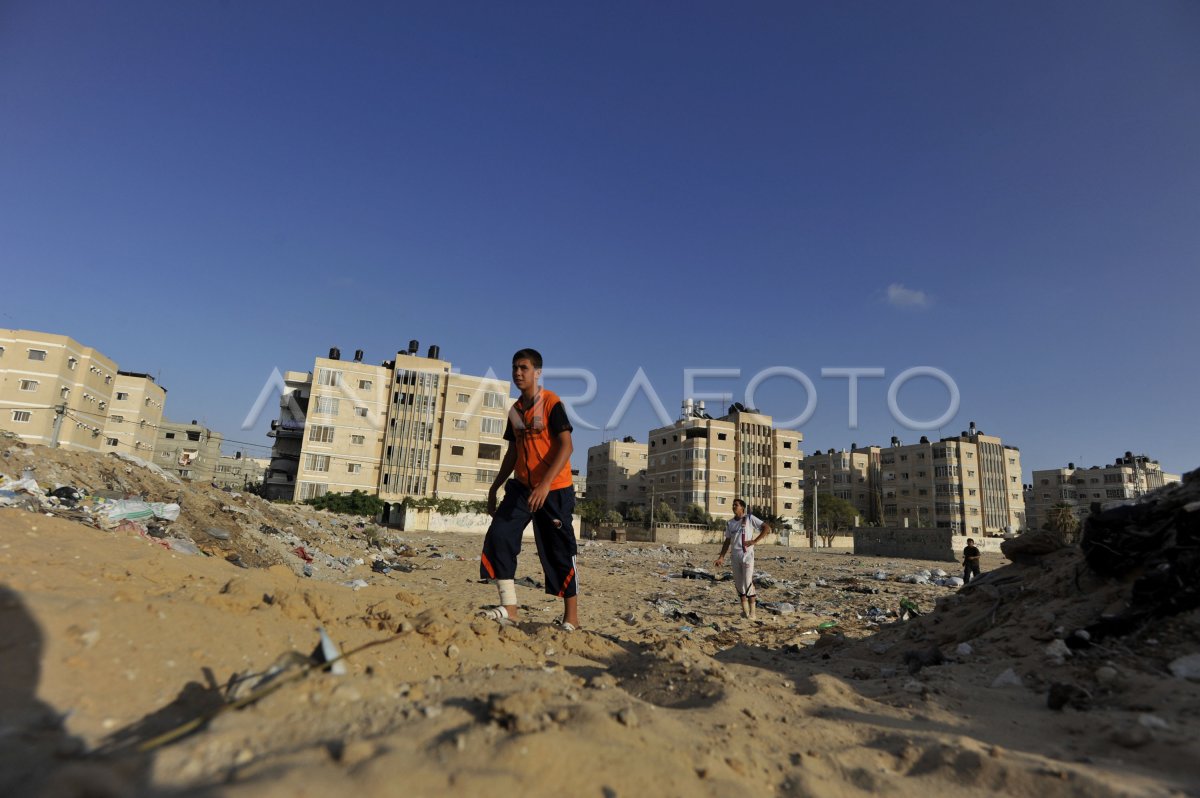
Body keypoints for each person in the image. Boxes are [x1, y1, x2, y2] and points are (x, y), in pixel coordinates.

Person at [479, 349, 579, 630]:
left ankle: (571, 618)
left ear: (537, 373)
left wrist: (546, 484)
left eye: (523, 367)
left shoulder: (550, 403)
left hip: (555, 489)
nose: (517, 373)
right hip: (522, 488)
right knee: (500, 535)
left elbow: (566, 446)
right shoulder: (515, 410)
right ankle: (509, 608)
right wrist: (494, 487)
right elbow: (513, 452)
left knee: (558, 550)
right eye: (514, 368)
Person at [714, 499, 770, 620]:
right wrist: (721, 557)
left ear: (742, 508)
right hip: (735, 556)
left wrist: (755, 541)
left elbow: (766, 528)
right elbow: (727, 541)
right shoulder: (730, 523)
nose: (734, 506)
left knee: (748, 582)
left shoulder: (749, 519)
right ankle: (745, 612)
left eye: (736, 505)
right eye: (733, 504)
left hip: (747, 555)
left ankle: (753, 613)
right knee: (739, 585)